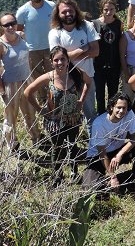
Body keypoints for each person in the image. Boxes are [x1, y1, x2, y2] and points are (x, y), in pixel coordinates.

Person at [25, 46, 90, 184]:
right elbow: (27, 92)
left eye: (62, 59)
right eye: (56, 60)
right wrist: (40, 109)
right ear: (51, 61)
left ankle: (74, 173)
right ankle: (58, 175)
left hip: (72, 118)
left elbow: (88, 83)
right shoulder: (48, 77)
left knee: (72, 146)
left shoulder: (76, 72)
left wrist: (81, 101)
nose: (59, 63)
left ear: (67, 60)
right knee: (57, 149)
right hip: (54, 120)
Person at [0, 12, 41, 151]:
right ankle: (12, 144)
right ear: (1, 27)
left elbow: (28, 58)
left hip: (27, 80)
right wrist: (1, 91)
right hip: (10, 84)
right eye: (6, 25)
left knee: (31, 112)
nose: (11, 27)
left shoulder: (22, 36)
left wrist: (32, 77)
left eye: (13, 23)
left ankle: (36, 138)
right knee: (11, 116)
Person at [48, 0, 100, 123]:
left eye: (70, 10)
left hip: (87, 77)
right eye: (64, 12)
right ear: (58, 14)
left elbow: (95, 51)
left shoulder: (86, 26)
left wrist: (68, 57)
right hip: (66, 81)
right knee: (68, 115)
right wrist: (82, 49)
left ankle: (93, 141)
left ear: (76, 11)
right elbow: (58, 59)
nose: (68, 14)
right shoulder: (55, 33)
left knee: (90, 114)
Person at [83, 93, 135, 190]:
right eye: (118, 107)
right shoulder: (99, 123)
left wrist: (120, 154)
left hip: (117, 152)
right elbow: (102, 153)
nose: (121, 111)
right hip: (98, 156)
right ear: (112, 107)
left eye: (124, 108)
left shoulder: (129, 114)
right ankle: (111, 181)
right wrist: (112, 176)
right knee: (90, 188)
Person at [16, 0, 55, 87]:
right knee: (37, 78)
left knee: (54, 75)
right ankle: (43, 100)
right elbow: (19, 31)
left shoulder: (52, 6)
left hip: (51, 47)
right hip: (33, 50)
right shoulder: (22, 11)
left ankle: (55, 99)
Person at [92, 0, 124, 115]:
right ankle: (100, 118)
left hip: (114, 65)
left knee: (113, 95)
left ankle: (112, 117)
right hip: (98, 66)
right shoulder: (94, 24)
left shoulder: (118, 24)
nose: (109, 12)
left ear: (115, 9)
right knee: (99, 95)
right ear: (101, 10)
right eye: (106, 9)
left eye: (111, 9)